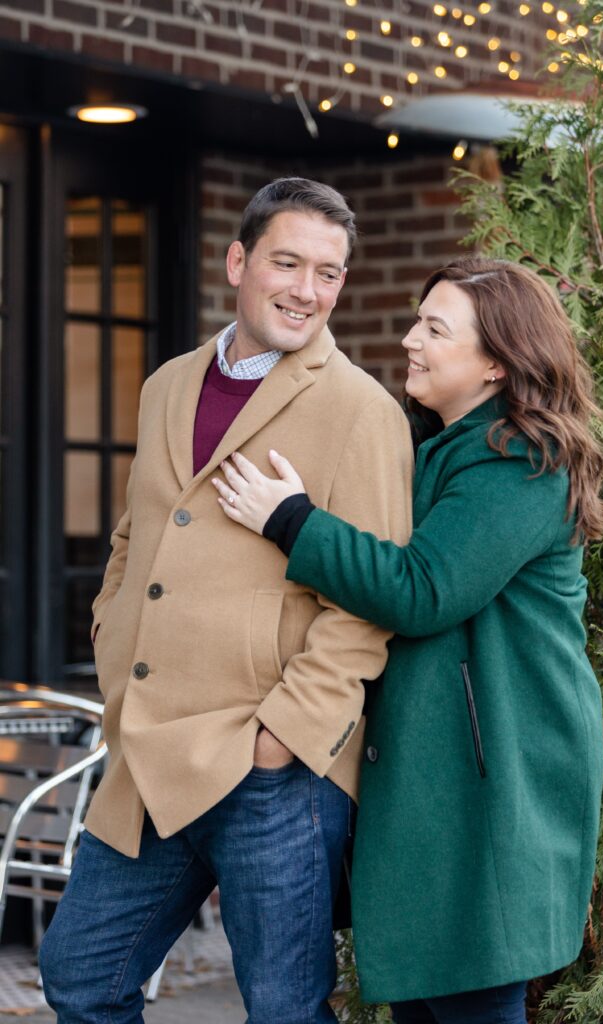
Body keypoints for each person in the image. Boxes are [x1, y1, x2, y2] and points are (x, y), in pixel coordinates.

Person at [39, 178, 413, 1024]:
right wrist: (112, 628)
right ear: (238, 262)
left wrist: (284, 736)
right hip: (152, 745)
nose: (306, 290)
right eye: (286, 262)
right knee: (80, 977)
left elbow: (368, 600)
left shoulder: (361, 412)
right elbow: (136, 534)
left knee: (284, 1010)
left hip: (268, 768)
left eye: (329, 272)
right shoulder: (168, 383)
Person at [213, 256, 603, 1024]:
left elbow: (423, 591)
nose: (407, 341)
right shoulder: (437, 448)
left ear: (496, 361)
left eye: (433, 328)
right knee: (434, 999)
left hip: (496, 779)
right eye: (415, 322)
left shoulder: (521, 464)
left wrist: (288, 518)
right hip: (448, 776)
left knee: (473, 995)